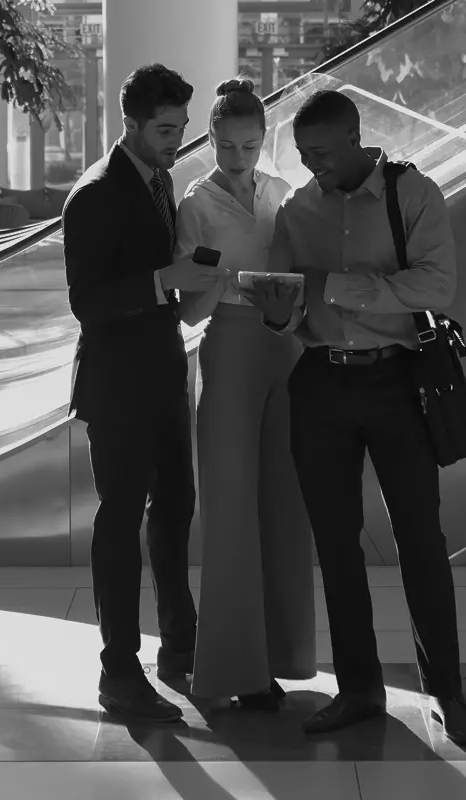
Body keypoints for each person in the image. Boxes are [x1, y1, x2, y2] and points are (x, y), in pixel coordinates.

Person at [246, 89, 466, 744]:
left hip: (399, 382)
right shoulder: (297, 209)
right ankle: (358, 690)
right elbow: (293, 303)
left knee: (420, 541)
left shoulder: (414, 195)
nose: (311, 165)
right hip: (320, 385)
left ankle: (447, 694)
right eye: (302, 155)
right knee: (337, 545)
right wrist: (278, 310)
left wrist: (339, 286)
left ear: (354, 138)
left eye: (321, 153)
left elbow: (437, 286)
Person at [62, 63, 224, 723]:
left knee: (175, 508)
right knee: (120, 520)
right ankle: (118, 669)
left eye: (180, 129)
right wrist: (167, 279)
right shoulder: (96, 193)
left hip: (161, 376)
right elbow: (87, 302)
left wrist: (191, 287)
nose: (175, 140)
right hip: (118, 385)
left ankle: (177, 645)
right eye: (164, 129)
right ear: (130, 123)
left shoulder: (160, 181)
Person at [173, 77, 317, 711]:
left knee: (285, 502)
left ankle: (282, 657)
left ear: (265, 139)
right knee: (230, 507)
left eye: (250, 145)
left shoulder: (282, 193)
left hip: (284, 343)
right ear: (211, 141)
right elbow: (187, 309)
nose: (239, 157)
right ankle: (236, 668)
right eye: (227, 146)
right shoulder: (195, 204)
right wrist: (222, 278)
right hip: (229, 344)